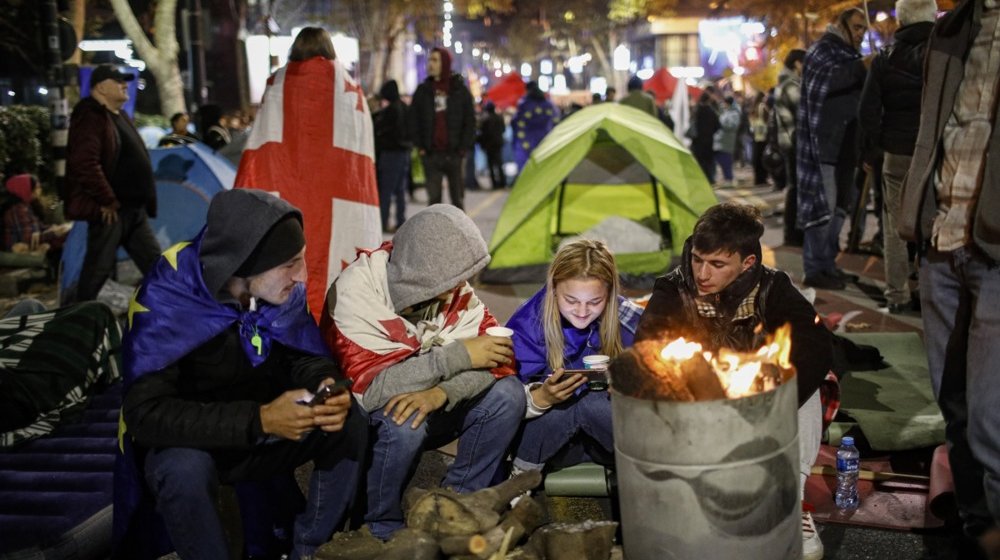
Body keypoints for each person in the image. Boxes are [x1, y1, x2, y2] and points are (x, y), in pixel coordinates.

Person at [118, 189, 366, 560]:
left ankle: (310, 548)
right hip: (197, 441)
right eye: (289, 264)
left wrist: (324, 383)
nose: (301, 276)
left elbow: (300, 352)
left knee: (349, 422)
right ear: (244, 264)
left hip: (262, 428)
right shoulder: (169, 299)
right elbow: (146, 414)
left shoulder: (274, 290)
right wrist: (260, 419)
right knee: (181, 468)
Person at [635, 203, 833, 560]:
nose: (702, 273)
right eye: (697, 259)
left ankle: (795, 503)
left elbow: (817, 346)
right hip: (698, 405)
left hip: (757, 397)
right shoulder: (673, 288)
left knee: (810, 386)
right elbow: (647, 349)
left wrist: (770, 400)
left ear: (747, 263)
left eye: (716, 264)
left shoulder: (773, 287)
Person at [324, 204, 524, 541]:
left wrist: (442, 392)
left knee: (509, 394)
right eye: (453, 278)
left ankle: (456, 505)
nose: (461, 287)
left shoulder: (450, 291)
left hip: (431, 398)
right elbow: (370, 392)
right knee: (404, 418)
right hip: (367, 418)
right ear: (422, 274)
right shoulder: (356, 295)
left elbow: (499, 361)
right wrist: (455, 357)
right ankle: (378, 525)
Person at [899, 0, 1000, 542]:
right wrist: (914, 216)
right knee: (955, 405)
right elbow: (934, 131)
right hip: (942, 239)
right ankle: (977, 530)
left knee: (990, 418)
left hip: (994, 253)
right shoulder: (952, 31)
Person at [234, 26, 381, 319]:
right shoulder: (351, 90)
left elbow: (260, 147)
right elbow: (361, 159)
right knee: (332, 274)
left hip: (285, 193)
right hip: (341, 198)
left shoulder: (277, 84)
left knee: (286, 264)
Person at [506, 239, 643, 474]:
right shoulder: (529, 323)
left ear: (609, 294)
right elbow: (505, 401)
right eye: (571, 300)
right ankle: (519, 481)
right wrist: (541, 397)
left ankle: (648, 477)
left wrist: (633, 385)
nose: (582, 312)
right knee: (568, 408)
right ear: (553, 288)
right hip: (551, 443)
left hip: (610, 440)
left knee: (593, 404)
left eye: (595, 302)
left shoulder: (630, 318)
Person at [858, 0, 935, 315]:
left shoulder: (885, 58)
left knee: (893, 227)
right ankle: (933, 294)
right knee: (935, 224)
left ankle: (897, 295)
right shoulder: (944, 55)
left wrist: (875, 149)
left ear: (901, 20)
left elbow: (868, 111)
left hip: (897, 154)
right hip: (935, 152)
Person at [65, 63, 161, 302]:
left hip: (133, 210)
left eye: (125, 80)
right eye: (117, 81)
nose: (124, 84)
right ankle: (75, 321)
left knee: (157, 265)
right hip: (113, 211)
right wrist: (107, 199)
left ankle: (175, 312)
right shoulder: (91, 115)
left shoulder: (119, 116)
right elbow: (84, 162)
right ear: (100, 87)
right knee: (97, 271)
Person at [797, 8, 869, 290]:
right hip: (823, 148)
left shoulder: (852, 57)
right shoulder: (822, 51)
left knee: (840, 209)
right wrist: (863, 67)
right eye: (857, 27)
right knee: (823, 211)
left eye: (864, 28)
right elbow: (832, 79)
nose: (861, 33)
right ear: (841, 25)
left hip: (847, 148)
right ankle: (814, 268)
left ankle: (828, 262)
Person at [409, 47, 476, 210]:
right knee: (433, 202)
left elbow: (470, 121)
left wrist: (462, 148)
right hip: (431, 154)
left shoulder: (459, 91)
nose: (430, 64)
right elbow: (413, 120)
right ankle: (434, 235)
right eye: (429, 60)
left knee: (458, 200)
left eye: (435, 60)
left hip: (454, 154)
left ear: (444, 63)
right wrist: (421, 147)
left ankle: (462, 235)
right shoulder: (423, 91)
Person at [774, 49, 807, 247]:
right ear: (797, 63)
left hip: (790, 142)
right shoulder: (791, 86)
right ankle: (793, 233)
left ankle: (793, 232)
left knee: (794, 187)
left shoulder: (785, 84)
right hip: (794, 142)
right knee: (796, 188)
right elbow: (804, 110)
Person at [373, 79, 412, 233]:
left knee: (386, 191)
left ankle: (383, 222)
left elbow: (382, 130)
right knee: (400, 190)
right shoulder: (404, 107)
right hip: (403, 153)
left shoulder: (390, 111)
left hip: (390, 154)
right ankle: (400, 221)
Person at [2, 174, 70, 255]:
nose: (39, 190)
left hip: (33, 245)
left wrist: (55, 228)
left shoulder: (26, 206)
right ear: (25, 189)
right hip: (21, 252)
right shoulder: (18, 210)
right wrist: (54, 233)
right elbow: (28, 239)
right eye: (37, 187)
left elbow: (38, 226)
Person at [512, 80, 558, 174]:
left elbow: (516, 122)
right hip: (546, 139)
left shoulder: (524, 104)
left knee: (527, 167)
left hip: (527, 141)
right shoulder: (549, 104)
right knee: (544, 167)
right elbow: (556, 121)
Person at [691, 89, 721, 183]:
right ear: (708, 100)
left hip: (697, 140)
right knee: (709, 161)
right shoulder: (711, 111)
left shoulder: (696, 111)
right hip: (709, 140)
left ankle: (701, 178)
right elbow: (718, 126)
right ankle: (710, 179)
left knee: (700, 160)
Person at [477, 101, 507, 189]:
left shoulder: (485, 120)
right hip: (498, 144)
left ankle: (494, 184)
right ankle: (502, 183)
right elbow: (503, 129)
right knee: (499, 164)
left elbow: (483, 133)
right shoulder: (499, 118)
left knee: (491, 165)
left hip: (489, 145)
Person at [714, 95, 741, 187]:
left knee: (726, 160)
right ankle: (727, 178)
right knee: (721, 159)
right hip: (722, 139)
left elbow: (733, 126)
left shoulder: (734, 113)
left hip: (727, 140)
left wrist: (720, 123)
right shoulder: (727, 111)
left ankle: (729, 179)